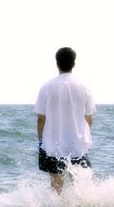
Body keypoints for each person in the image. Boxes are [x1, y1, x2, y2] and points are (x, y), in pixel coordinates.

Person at [35, 47, 95, 194]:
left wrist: (41, 139)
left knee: (56, 186)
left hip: (53, 143)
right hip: (78, 143)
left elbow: (41, 118)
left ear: (57, 63)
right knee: (78, 185)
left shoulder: (47, 87)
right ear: (74, 63)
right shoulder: (85, 87)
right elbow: (89, 117)